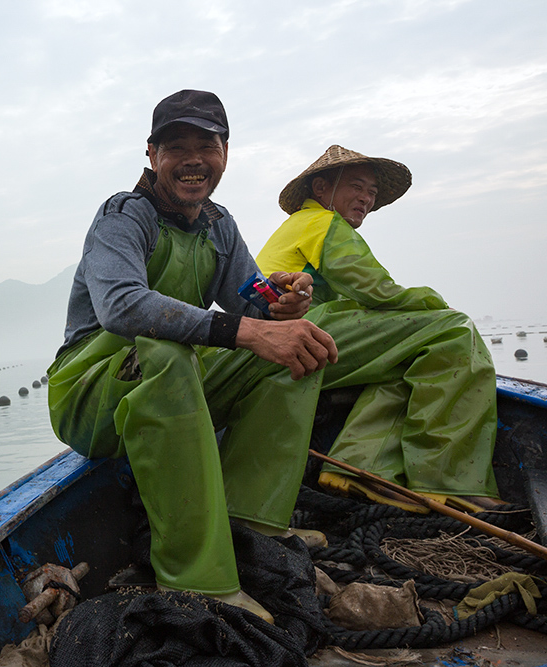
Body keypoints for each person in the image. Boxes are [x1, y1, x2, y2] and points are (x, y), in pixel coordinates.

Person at [47, 90, 338, 624]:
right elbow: (121, 305)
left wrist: (283, 300)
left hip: (174, 379)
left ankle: (253, 520)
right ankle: (199, 579)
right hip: (91, 395)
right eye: (176, 147)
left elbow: (251, 297)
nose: (193, 160)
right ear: (152, 155)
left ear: (226, 153)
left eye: (207, 145)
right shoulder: (122, 217)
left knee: (299, 341)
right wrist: (247, 330)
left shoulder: (219, 225)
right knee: (165, 351)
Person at [256, 145, 502, 513]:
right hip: (298, 335)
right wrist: (439, 307)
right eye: (357, 186)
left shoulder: (298, 225)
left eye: (371, 192)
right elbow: (376, 290)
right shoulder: (323, 223)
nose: (366, 198)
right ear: (321, 189)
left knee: (406, 358)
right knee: (452, 330)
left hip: (284, 339)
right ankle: (448, 480)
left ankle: (364, 469)